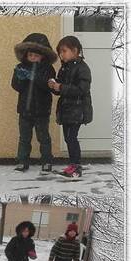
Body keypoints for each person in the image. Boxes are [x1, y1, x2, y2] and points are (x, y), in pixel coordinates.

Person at [11, 33, 57, 173]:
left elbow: (48, 86)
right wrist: (20, 78)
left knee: (43, 137)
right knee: (24, 138)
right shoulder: (20, 67)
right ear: (26, 55)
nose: (33, 58)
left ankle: (47, 161)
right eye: (30, 55)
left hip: (42, 111)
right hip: (24, 110)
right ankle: (22, 161)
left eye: (36, 56)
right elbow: (16, 86)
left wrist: (34, 78)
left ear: (42, 56)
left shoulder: (48, 69)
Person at [49, 36, 93, 179]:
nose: (61, 54)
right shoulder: (64, 68)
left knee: (72, 137)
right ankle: (73, 165)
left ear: (75, 51)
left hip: (78, 110)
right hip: (67, 110)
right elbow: (61, 89)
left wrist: (60, 86)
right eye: (60, 52)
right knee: (68, 138)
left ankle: (76, 167)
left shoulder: (82, 68)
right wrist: (54, 86)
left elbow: (82, 89)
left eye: (64, 51)